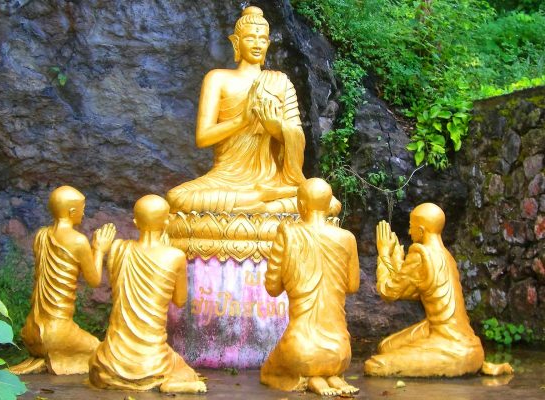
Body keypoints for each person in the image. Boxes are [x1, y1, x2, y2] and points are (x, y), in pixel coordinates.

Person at [166, 6, 340, 215]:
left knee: (327, 202)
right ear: (236, 42)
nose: (257, 44)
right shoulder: (218, 79)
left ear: (267, 43)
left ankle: (259, 204)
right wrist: (242, 121)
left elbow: (297, 137)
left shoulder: (280, 82)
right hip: (226, 179)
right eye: (250, 38)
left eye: (262, 39)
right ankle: (261, 202)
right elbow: (203, 138)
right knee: (177, 198)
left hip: (272, 180)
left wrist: (276, 128)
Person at [89, 195, 206, 393]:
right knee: (184, 371)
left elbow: (115, 287)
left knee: (95, 362)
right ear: (167, 221)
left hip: (111, 359)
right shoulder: (175, 256)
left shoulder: (118, 249)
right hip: (153, 359)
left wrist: (99, 249)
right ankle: (171, 383)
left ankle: (120, 377)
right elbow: (179, 301)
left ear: (135, 223)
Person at [260, 178, 359, 396]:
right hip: (340, 353)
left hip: (301, 350)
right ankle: (329, 378)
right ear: (328, 206)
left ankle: (313, 379)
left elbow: (272, 288)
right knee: (329, 364)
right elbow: (352, 285)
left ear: (300, 205)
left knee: (268, 372)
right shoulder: (347, 238)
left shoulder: (288, 235)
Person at [364, 203, 485, 377]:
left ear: (421, 230)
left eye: (411, 227)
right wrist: (398, 260)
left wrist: (383, 253)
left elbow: (388, 291)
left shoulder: (421, 254)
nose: (409, 232)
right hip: (462, 339)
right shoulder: (446, 255)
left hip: (450, 343)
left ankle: (459, 362)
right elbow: (412, 290)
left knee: (374, 366)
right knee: (386, 347)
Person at [10, 186, 116, 375]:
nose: (84, 212)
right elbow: (94, 280)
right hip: (57, 333)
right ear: (72, 211)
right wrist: (99, 249)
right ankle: (56, 356)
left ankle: (46, 358)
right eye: (83, 208)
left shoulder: (41, 236)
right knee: (103, 351)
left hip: (31, 332)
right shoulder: (78, 241)